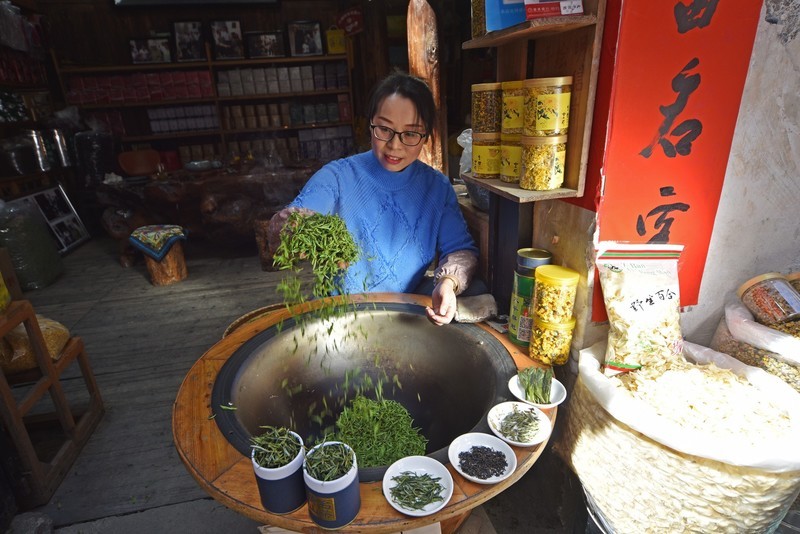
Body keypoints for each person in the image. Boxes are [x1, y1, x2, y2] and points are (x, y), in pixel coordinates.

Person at [267, 72, 480, 326]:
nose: (394, 146)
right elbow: (289, 222)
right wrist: (297, 226)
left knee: (478, 288)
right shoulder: (337, 176)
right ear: (370, 124)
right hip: (339, 313)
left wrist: (448, 282)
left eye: (410, 134)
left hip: (401, 311)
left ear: (426, 136)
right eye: (384, 129)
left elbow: (460, 250)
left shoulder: (436, 187)